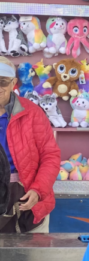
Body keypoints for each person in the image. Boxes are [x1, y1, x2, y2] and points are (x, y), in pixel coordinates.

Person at [0, 57, 60, 233]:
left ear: (13, 84)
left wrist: (38, 190)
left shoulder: (33, 113)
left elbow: (50, 155)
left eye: (2, 81)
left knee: (32, 257)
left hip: (28, 196)